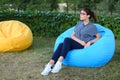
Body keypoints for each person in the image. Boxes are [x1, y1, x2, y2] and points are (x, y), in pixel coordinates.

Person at [41, 8, 101, 76]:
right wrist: (80, 41)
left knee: (66, 40)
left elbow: (98, 37)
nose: (80, 15)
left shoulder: (92, 26)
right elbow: (72, 35)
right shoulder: (79, 24)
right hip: (77, 42)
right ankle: (50, 64)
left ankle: (59, 62)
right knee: (61, 44)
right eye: (80, 13)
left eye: (83, 14)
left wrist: (90, 42)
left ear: (88, 16)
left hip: (82, 45)